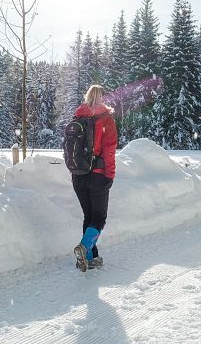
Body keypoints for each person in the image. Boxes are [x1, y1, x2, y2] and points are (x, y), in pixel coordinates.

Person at [72, 84, 118, 271]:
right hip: (98, 176)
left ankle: (91, 257)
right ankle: (84, 248)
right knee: (99, 219)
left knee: (88, 216)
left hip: (78, 175)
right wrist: (110, 175)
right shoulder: (106, 120)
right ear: (103, 98)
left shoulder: (77, 118)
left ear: (87, 96)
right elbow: (109, 151)